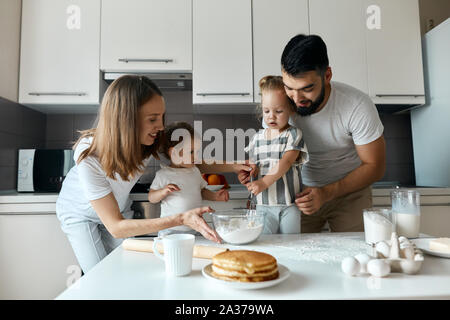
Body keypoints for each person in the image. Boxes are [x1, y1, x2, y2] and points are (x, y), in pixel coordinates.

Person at [56, 75, 249, 273]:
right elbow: (115, 226)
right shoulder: (90, 154)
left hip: (118, 212)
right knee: (99, 274)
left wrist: (234, 167)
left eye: (161, 117)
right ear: (126, 119)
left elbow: (189, 161)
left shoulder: (148, 139)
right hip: (82, 215)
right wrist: (181, 218)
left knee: (127, 269)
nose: (161, 126)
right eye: (152, 119)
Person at [239, 34, 386, 233]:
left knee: (355, 252)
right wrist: (254, 172)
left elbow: (375, 166)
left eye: (307, 89)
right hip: (298, 195)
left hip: (350, 193)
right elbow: (272, 153)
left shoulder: (356, 106)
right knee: (297, 253)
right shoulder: (280, 106)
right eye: (289, 88)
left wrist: (326, 193)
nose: (297, 99)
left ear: (327, 76)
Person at [245, 76, 308, 234]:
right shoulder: (256, 138)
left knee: (291, 244)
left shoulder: (293, 135)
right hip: (262, 207)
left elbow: (286, 162)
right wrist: (246, 173)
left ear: (291, 109)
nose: (271, 116)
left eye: (278, 111)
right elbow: (252, 166)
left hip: (289, 205)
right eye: (266, 111)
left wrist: (264, 182)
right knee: (266, 245)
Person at [149, 122, 229, 235]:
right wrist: (163, 192)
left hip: (195, 226)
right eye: (191, 152)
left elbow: (201, 191)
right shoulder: (164, 174)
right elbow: (152, 198)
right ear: (174, 152)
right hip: (170, 229)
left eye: (196, 151)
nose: (195, 156)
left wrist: (215, 196)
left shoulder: (195, 171)